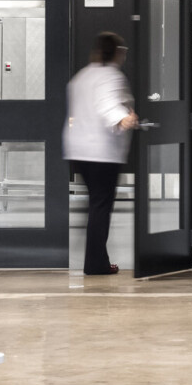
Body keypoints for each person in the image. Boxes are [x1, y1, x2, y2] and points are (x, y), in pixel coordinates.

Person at [63, 32, 139, 276]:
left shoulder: (82, 75)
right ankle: (96, 264)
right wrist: (125, 118)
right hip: (101, 152)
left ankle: (97, 260)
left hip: (79, 150)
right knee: (100, 206)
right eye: (123, 50)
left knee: (95, 205)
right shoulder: (110, 76)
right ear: (116, 51)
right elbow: (107, 104)